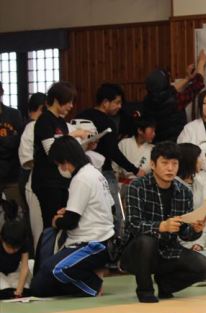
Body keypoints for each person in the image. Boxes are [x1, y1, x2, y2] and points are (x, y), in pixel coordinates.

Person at [120, 142, 206, 303]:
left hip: (169, 250)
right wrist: (161, 226)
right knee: (146, 241)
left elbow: (184, 234)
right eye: (164, 163)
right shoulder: (137, 187)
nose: (170, 168)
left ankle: (166, 285)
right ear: (153, 165)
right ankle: (145, 290)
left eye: (174, 164)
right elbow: (133, 225)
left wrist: (196, 230)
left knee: (205, 267)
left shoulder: (184, 192)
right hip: (136, 253)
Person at [31, 137, 114, 297]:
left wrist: (56, 221)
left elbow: (70, 222)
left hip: (92, 244)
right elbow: (109, 207)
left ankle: (93, 285)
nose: (61, 168)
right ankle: (86, 278)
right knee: (41, 283)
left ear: (67, 160)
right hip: (101, 238)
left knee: (51, 273)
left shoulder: (81, 179)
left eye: (60, 164)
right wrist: (70, 210)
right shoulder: (94, 173)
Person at [77, 84, 142, 234]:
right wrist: (135, 170)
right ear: (105, 102)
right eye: (117, 102)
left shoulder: (80, 116)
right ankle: (118, 242)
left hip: (80, 172)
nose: (119, 106)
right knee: (115, 212)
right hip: (104, 172)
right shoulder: (107, 122)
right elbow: (113, 152)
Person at [32, 82, 91, 228]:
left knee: (62, 221)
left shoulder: (61, 122)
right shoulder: (45, 120)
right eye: (68, 102)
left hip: (61, 180)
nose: (71, 106)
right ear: (57, 99)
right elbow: (52, 151)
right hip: (47, 180)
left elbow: (66, 149)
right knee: (51, 222)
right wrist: (74, 134)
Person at [143, 50, 206, 143]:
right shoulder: (176, 101)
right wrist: (201, 63)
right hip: (176, 145)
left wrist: (187, 78)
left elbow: (171, 89)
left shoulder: (148, 100)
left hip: (157, 145)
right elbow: (197, 84)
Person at [18, 92, 46, 248]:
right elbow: (27, 159)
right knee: (37, 226)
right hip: (29, 176)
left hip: (30, 175)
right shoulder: (31, 126)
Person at [0, 82, 25, 207]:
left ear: (1, 92)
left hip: (12, 172)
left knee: (16, 211)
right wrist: (8, 140)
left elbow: (20, 141)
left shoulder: (14, 114)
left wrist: (4, 141)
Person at [0, 199, 30, 299]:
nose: (12, 251)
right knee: (4, 289)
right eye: (9, 247)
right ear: (2, 240)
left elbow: (24, 267)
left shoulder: (23, 242)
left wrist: (19, 291)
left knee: (26, 288)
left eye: (16, 249)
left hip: (15, 270)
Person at [116, 116, 155, 184]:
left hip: (144, 185)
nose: (154, 134)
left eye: (154, 131)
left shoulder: (153, 149)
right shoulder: (124, 143)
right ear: (140, 130)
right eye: (151, 131)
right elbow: (115, 168)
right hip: (122, 184)